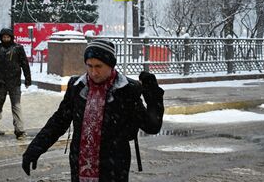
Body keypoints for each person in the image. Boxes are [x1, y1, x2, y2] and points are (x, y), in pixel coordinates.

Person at [21, 39, 164, 181]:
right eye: (89, 66)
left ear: (111, 65)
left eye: (98, 66)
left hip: (114, 168)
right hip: (81, 166)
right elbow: (59, 121)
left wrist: (153, 95)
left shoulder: (126, 90)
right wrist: (35, 148)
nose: (93, 72)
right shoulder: (77, 87)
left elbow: (151, 126)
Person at [0, 28, 31, 140]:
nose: (6, 39)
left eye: (8, 37)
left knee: (16, 106)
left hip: (14, 83)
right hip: (0, 82)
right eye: (4, 37)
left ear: (11, 37)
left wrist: (27, 79)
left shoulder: (18, 48)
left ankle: (19, 130)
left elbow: (25, 64)